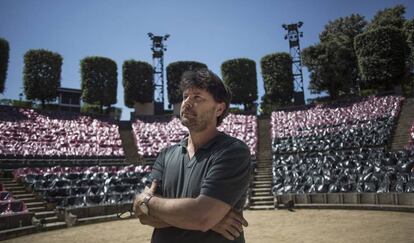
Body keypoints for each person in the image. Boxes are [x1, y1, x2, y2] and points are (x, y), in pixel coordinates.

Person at [133, 68, 252, 243]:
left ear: (219, 109)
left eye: (197, 97)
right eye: (185, 96)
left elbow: (202, 216)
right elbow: (143, 216)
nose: (187, 103)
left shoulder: (233, 151)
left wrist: (146, 201)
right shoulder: (166, 154)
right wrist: (208, 220)